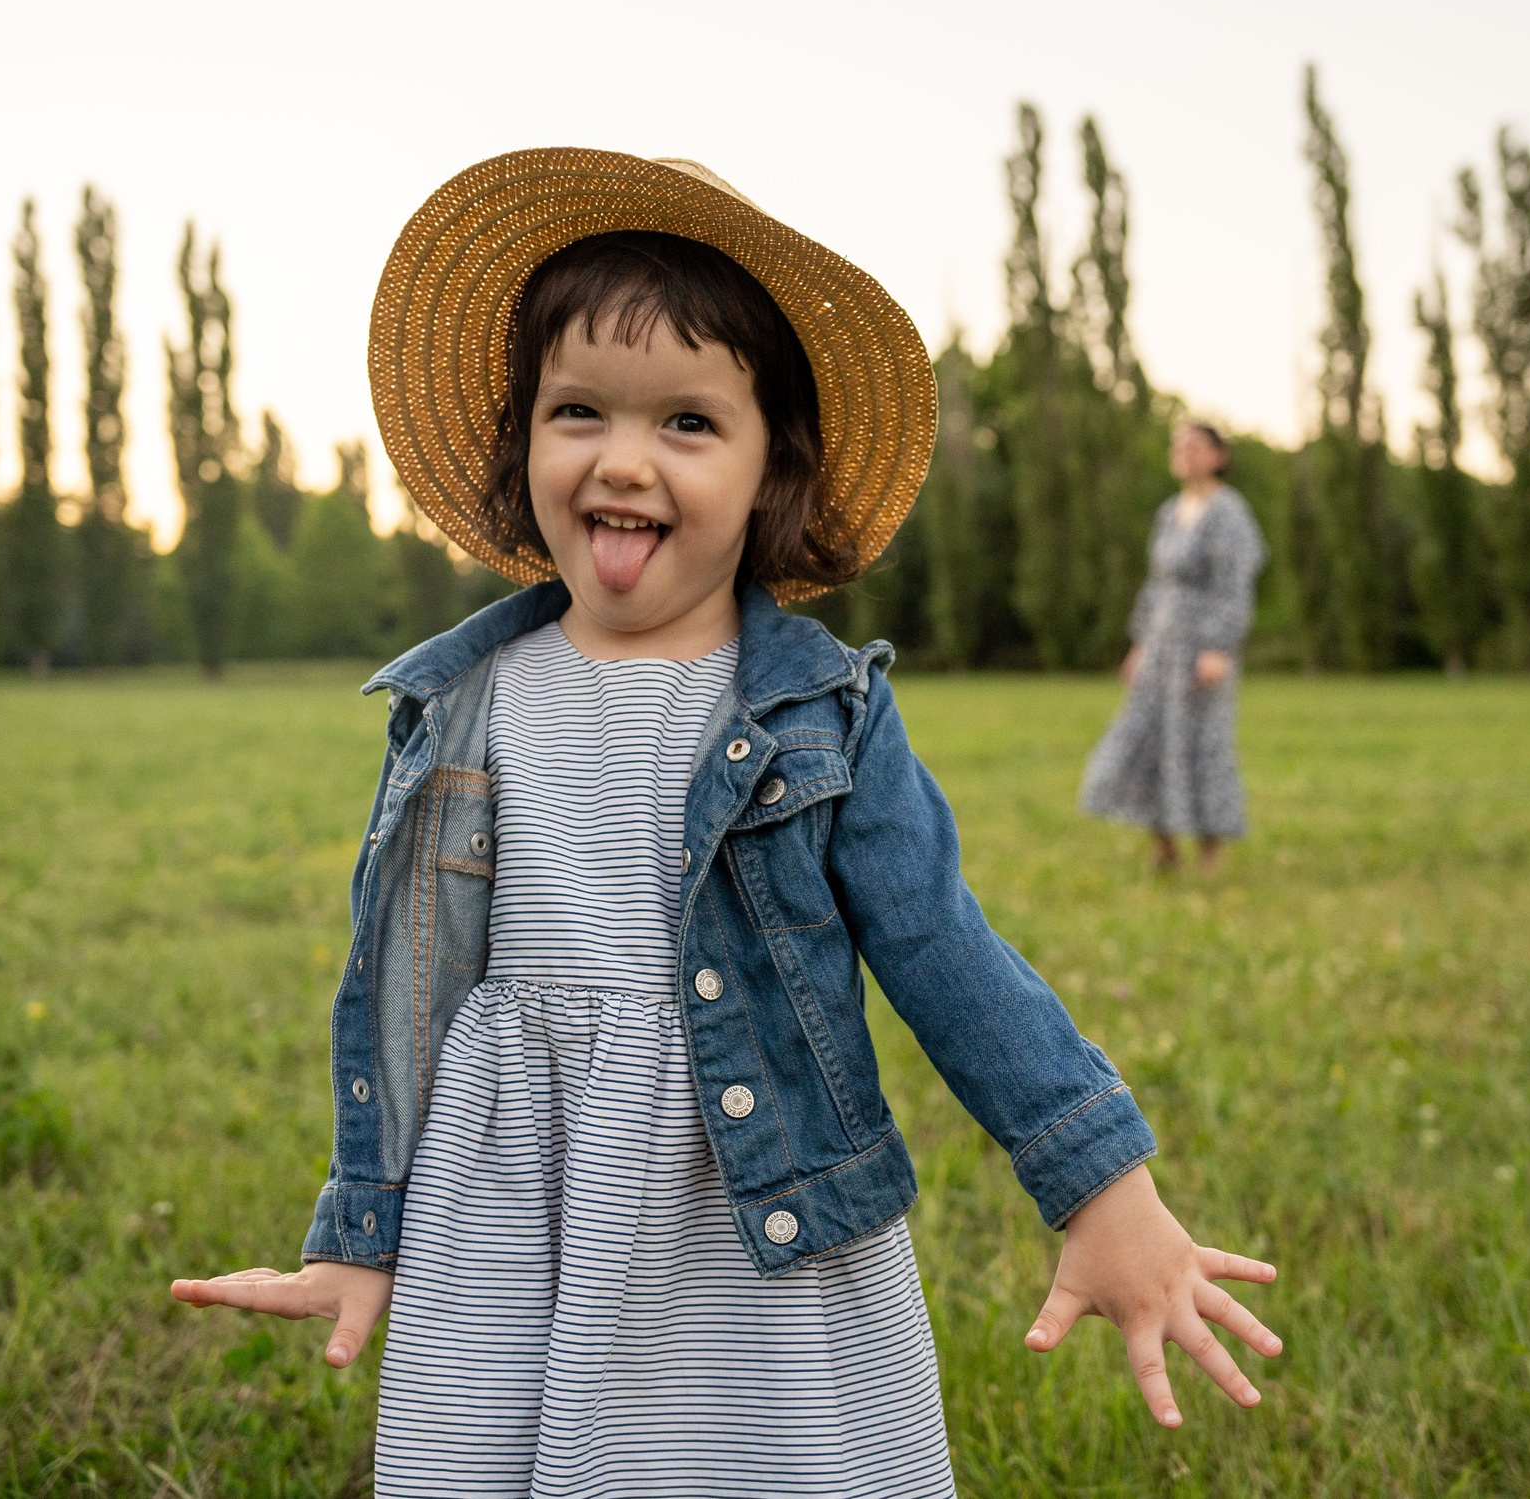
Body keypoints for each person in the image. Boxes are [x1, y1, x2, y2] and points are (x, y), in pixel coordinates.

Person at [168, 151, 1279, 1497]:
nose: (622, 457)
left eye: (688, 423)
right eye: (578, 408)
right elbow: (407, 990)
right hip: (516, 1206)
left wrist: (1103, 1188)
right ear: (524, 441)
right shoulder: (460, 704)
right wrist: (367, 1223)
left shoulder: (822, 711)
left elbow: (945, 949)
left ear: (772, 471)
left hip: (754, 1200)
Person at [1079, 422, 1267, 874]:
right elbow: (1155, 585)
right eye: (1178, 445)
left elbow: (1235, 585)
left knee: (1203, 745)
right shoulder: (1168, 512)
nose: (1184, 452)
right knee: (1146, 739)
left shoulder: (1229, 512)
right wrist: (1139, 644)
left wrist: (1219, 646)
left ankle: (1210, 856)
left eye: (1195, 445)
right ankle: (1163, 848)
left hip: (1200, 648)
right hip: (1160, 646)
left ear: (1219, 456)